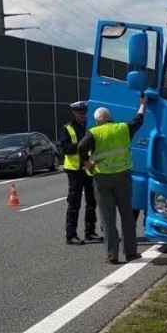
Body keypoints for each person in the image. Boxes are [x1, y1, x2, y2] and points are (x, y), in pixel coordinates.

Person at [78, 97, 147, 265]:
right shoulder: (123, 128)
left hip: (102, 179)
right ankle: (131, 253)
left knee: (108, 219)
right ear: (110, 117)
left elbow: (81, 147)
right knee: (127, 217)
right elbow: (139, 120)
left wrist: (86, 163)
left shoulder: (94, 132)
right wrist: (143, 104)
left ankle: (112, 255)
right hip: (122, 177)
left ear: (97, 120)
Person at [59, 100, 100, 246]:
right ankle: (71, 235)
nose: (82, 116)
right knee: (74, 203)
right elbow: (65, 149)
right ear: (74, 113)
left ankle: (90, 232)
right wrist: (82, 144)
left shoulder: (91, 127)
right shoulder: (68, 128)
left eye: (84, 114)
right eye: (80, 114)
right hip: (75, 170)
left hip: (89, 168)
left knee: (91, 202)